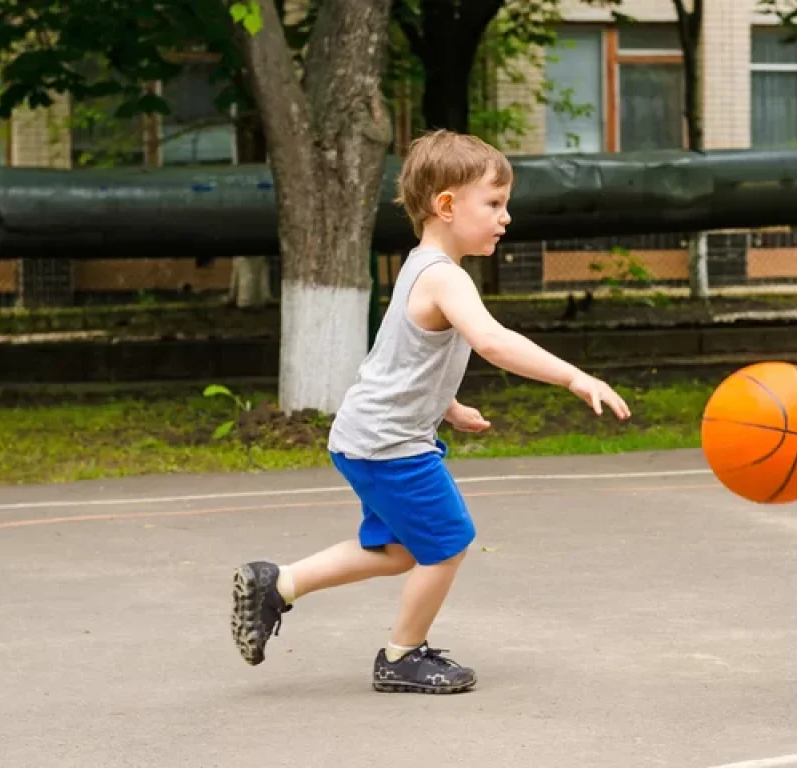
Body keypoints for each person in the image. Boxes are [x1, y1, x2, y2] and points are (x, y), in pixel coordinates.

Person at [230, 129, 631, 694]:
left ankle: (278, 585)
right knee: (447, 542)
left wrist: (448, 405)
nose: (505, 217)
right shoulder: (444, 276)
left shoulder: (421, 267)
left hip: (367, 436)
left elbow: (404, 360)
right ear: (446, 205)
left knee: (396, 551)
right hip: (389, 444)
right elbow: (492, 341)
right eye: (494, 204)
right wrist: (573, 375)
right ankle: (403, 656)